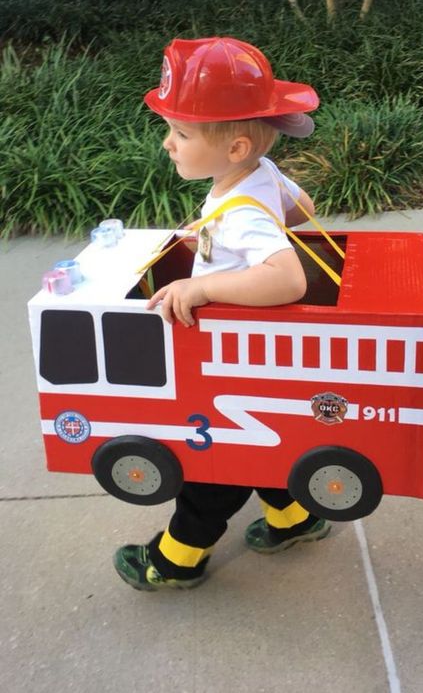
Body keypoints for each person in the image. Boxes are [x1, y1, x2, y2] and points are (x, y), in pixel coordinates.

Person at [114, 36, 331, 591]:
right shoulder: (257, 175)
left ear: (235, 147)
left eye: (182, 133)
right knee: (266, 442)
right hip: (255, 361)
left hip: (234, 361)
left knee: (213, 462)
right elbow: (302, 207)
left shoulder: (241, 213)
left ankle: (175, 560)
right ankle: (295, 516)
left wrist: (209, 285)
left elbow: (286, 277)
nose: (168, 143)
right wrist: (215, 236)